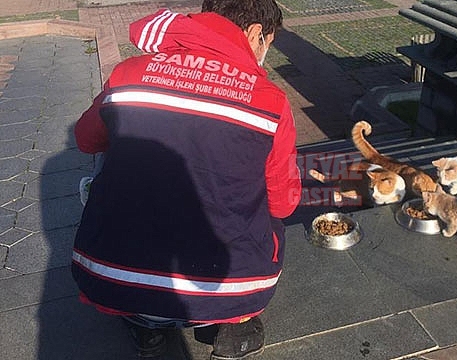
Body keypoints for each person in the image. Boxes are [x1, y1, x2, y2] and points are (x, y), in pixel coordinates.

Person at [72, 0, 302, 358]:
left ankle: (145, 328)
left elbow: (85, 140)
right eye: (266, 44)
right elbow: (285, 203)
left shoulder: (128, 73)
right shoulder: (270, 100)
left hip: (115, 281)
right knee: (271, 194)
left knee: (109, 148)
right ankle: (233, 328)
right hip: (225, 291)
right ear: (257, 33)